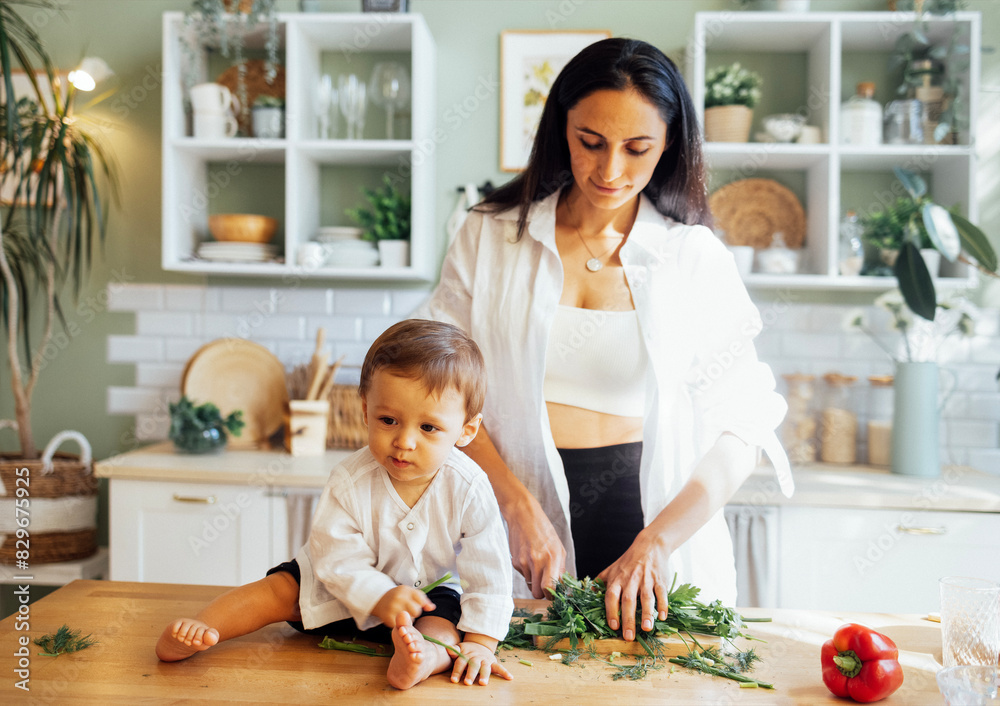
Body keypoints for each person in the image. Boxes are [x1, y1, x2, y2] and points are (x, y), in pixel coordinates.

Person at [417, 37, 793, 643]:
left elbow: (741, 428)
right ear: (560, 128)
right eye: (590, 141)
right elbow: (440, 393)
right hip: (511, 512)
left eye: (637, 148)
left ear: (669, 143)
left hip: (649, 525)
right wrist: (511, 503)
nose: (610, 170)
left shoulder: (693, 258)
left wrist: (658, 541)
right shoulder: (489, 236)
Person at [156, 319, 515, 690]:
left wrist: (481, 644)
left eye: (428, 428)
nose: (404, 441)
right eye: (388, 420)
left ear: (466, 430)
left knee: (444, 626)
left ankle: (421, 659)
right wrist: (378, 595)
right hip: (339, 589)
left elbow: (489, 570)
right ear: (365, 410)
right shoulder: (350, 478)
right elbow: (335, 556)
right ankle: (203, 627)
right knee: (279, 589)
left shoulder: (470, 487)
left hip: (421, 598)